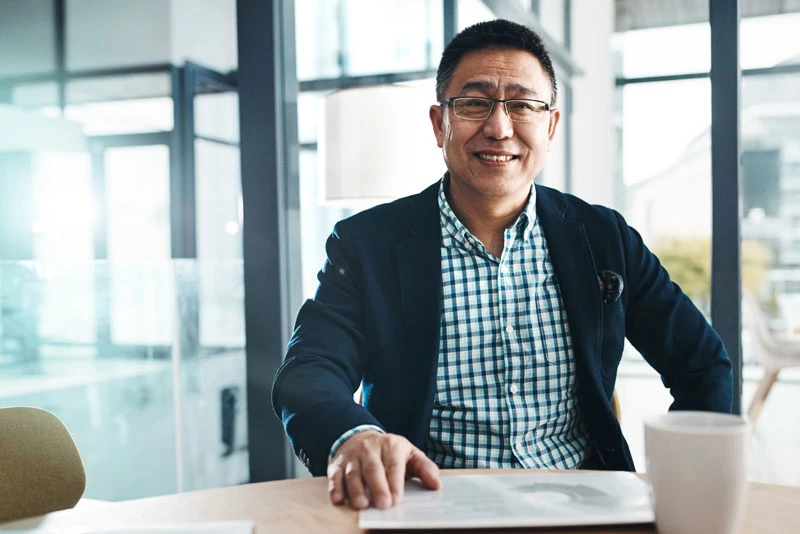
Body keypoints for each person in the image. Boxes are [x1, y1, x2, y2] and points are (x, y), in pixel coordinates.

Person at [271, 19, 733, 511]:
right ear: (438, 123)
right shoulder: (367, 244)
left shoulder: (604, 237)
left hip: (582, 507)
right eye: (473, 103)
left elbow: (702, 364)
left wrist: (685, 477)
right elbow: (308, 370)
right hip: (424, 506)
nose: (498, 127)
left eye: (523, 104)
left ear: (550, 126)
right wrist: (352, 436)